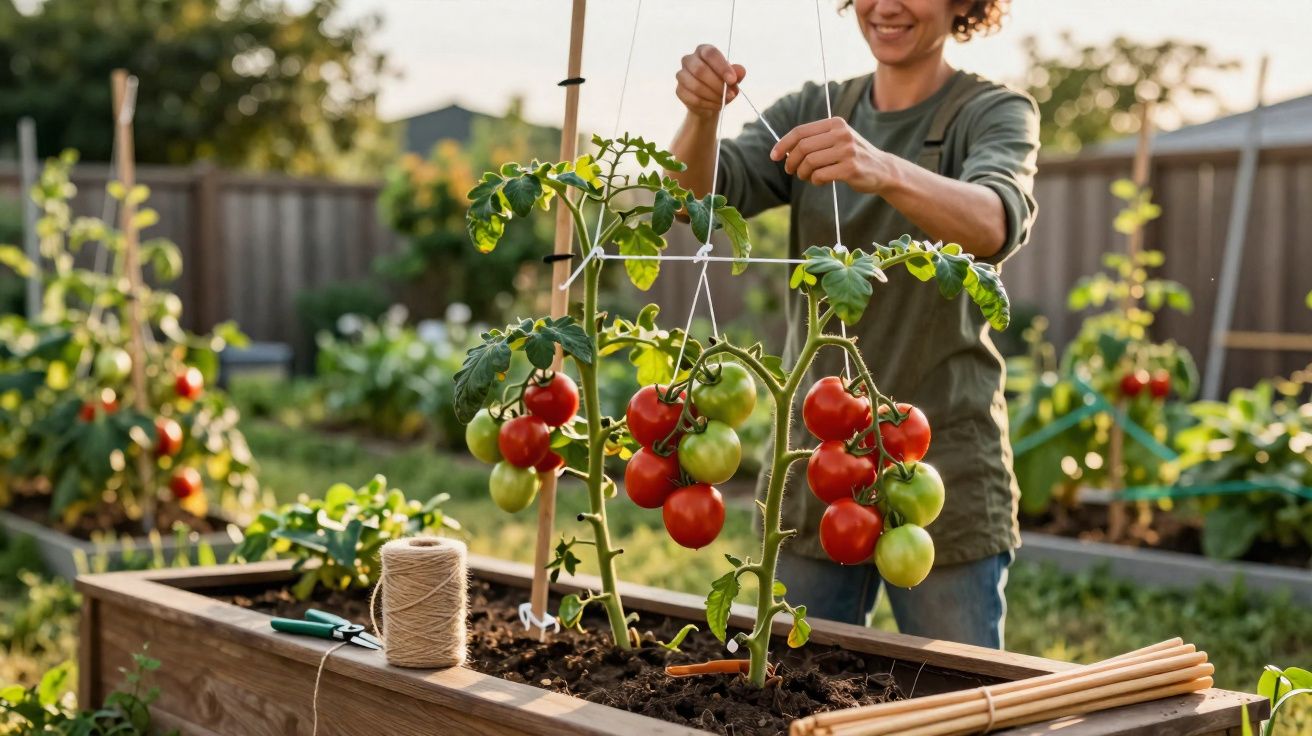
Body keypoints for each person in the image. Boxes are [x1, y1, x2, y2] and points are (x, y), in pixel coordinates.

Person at [666, 0, 1038, 649]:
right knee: (795, 690)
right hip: (820, 471)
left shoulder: (991, 112)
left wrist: (882, 168)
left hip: (941, 467)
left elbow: (993, 222)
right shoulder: (810, 111)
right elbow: (696, 205)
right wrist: (700, 117)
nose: (886, 5)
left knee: (959, 694)